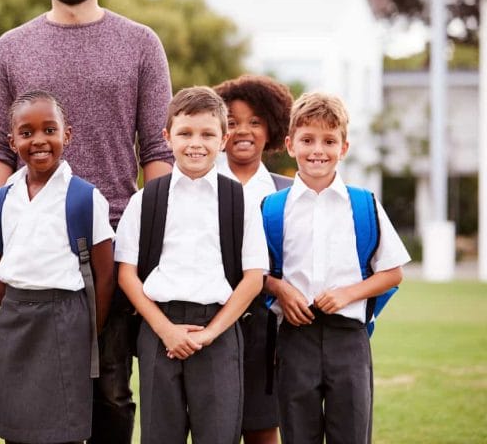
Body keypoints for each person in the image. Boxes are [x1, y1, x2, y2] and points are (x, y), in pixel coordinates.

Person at [0, 0, 173, 442]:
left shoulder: (140, 43)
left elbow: (158, 147)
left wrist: (144, 227)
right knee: (32, 392)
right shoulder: (11, 48)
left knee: (108, 387)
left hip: (111, 242)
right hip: (35, 249)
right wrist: (8, 226)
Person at [116, 86, 268, 444]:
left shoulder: (239, 201)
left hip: (219, 331)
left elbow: (253, 278)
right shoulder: (146, 199)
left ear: (224, 138)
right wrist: (165, 330)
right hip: (158, 329)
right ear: (167, 137)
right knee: (159, 435)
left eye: (207, 134)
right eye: (185, 133)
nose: (195, 143)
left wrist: (211, 332)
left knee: (218, 435)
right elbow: (126, 273)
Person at [263, 92, 410, 444]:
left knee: (352, 434)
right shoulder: (271, 207)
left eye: (329, 141)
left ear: (344, 147)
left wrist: (348, 293)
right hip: (294, 337)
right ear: (289, 144)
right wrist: (280, 288)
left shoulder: (364, 204)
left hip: (349, 339)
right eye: (307, 140)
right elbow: (254, 273)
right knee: (298, 434)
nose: (318, 150)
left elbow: (392, 272)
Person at [0, 91, 115, 444]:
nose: (39, 140)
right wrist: (21, 306)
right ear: (12, 141)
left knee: (63, 431)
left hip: (67, 318)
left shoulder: (84, 197)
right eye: (26, 133)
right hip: (15, 319)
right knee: (16, 429)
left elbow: (105, 275)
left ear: (66, 135)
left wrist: (86, 329)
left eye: (49, 130)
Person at [214, 75, 293, 444]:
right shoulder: (197, 183)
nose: (242, 131)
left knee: (262, 430)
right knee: (210, 427)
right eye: (231, 122)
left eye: (255, 122)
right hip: (209, 318)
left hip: (267, 330)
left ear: (272, 129)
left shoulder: (288, 192)